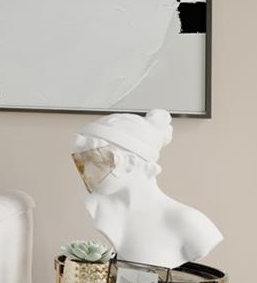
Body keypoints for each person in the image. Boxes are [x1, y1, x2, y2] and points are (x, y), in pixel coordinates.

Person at [69, 108, 221, 266]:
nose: (87, 172)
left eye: (97, 162)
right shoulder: (97, 208)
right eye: (83, 162)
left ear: (131, 163)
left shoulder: (190, 223)